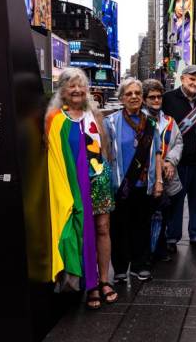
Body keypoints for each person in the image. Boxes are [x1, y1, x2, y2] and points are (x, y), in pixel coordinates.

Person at [45, 67, 118, 309]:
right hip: (72, 185)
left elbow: (104, 149)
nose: (77, 90)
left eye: (81, 85)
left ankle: (105, 279)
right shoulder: (54, 118)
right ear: (63, 90)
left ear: (87, 89)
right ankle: (90, 283)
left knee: (102, 228)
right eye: (71, 85)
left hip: (98, 180)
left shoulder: (94, 115)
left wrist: (105, 177)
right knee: (80, 231)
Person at [104, 78, 164, 282]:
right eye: (129, 93)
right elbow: (106, 155)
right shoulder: (110, 122)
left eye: (138, 93)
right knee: (119, 227)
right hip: (121, 185)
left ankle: (140, 265)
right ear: (121, 98)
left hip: (144, 184)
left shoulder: (151, 122)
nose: (134, 97)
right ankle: (120, 267)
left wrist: (158, 182)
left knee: (142, 226)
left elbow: (157, 152)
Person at [162, 65, 196, 252]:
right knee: (176, 200)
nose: (195, 83)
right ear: (182, 79)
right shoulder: (167, 99)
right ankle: (172, 237)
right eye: (191, 79)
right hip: (177, 162)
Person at [142, 79, 185, 262]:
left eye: (159, 97)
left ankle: (159, 248)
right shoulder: (139, 120)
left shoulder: (169, 121)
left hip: (167, 176)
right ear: (144, 99)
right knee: (145, 216)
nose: (157, 100)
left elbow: (178, 142)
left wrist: (170, 161)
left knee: (164, 214)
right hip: (146, 177)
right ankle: (145, 253)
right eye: (152, 97)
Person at [171, 0, 192, 64]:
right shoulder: (169, 22)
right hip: (173, 63)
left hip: (186, 65)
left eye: (185, 0)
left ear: (190, 2)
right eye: (178, 1)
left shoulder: (192, 24)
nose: (181, 5)